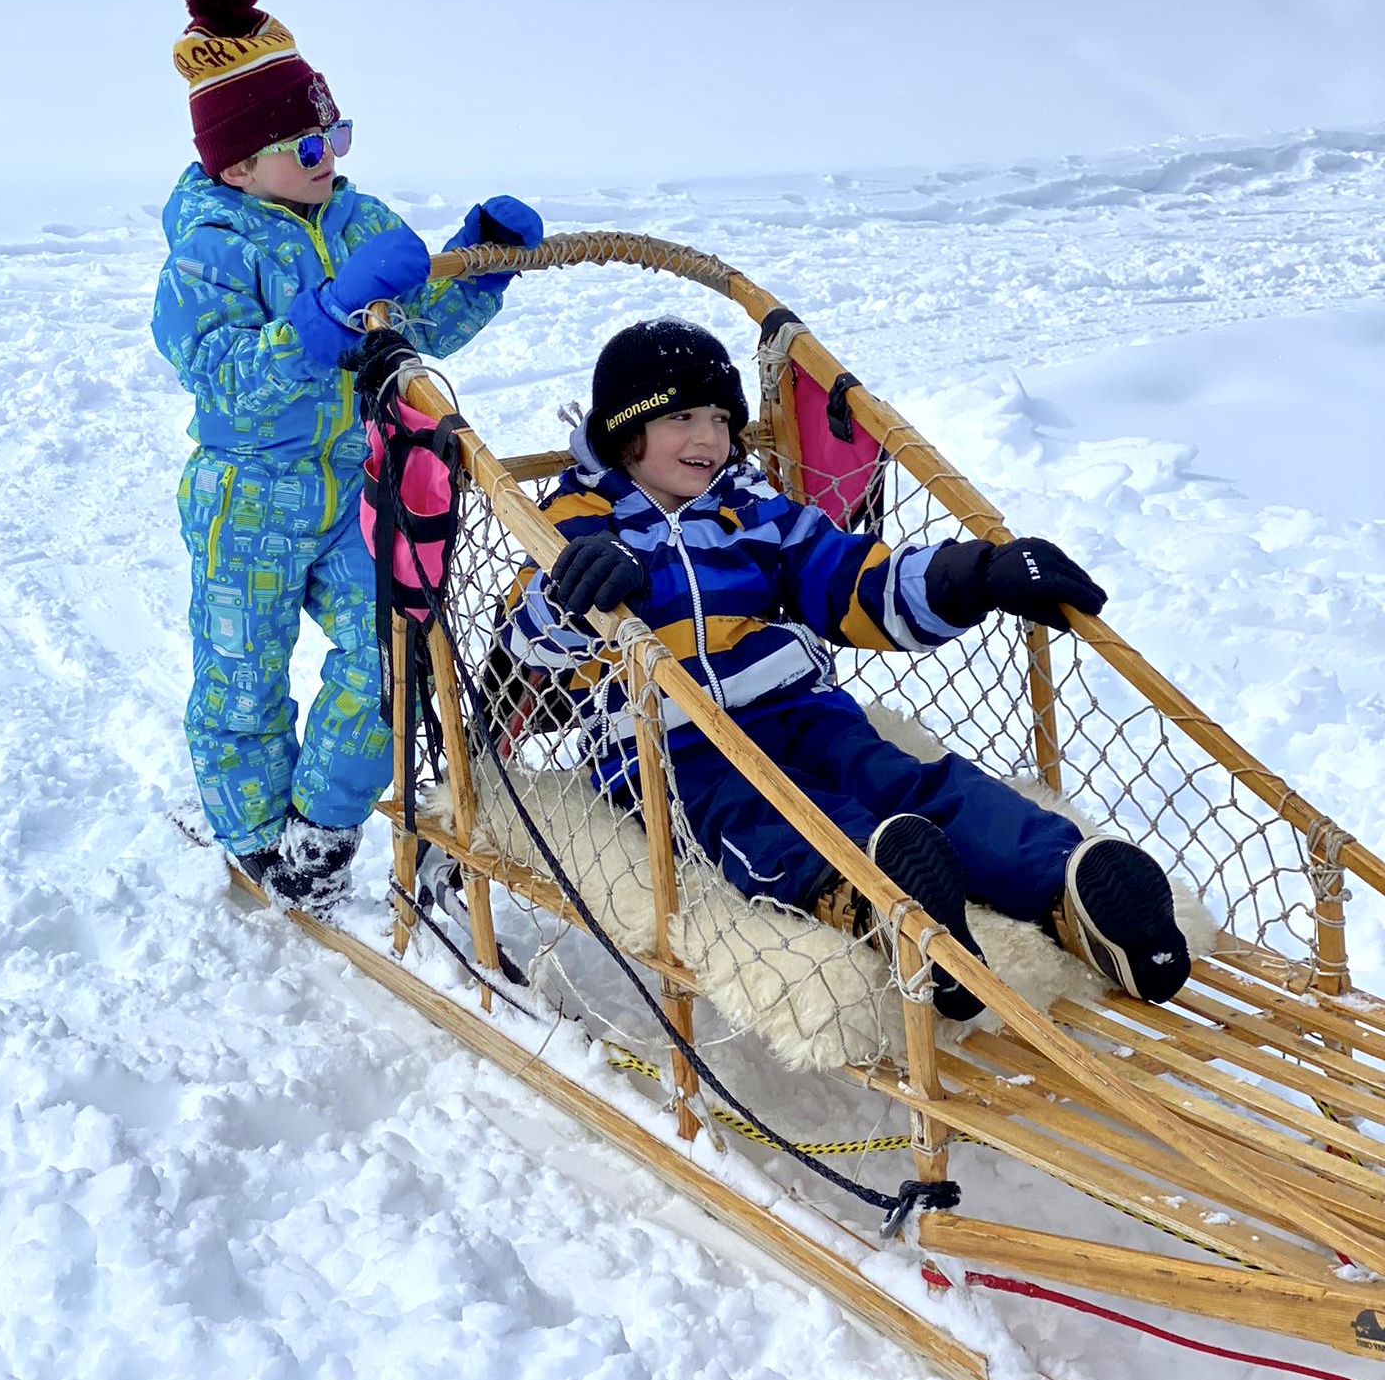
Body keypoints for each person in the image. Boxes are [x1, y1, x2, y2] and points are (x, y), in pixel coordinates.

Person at [502, 318, 1191, 1017]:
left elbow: (849, 579)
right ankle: (875, 898)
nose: (709, 438)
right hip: (668, 749)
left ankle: (1070, 887)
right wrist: (575, 585)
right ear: (626, 428)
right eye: (681, 417)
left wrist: (972, 576)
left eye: (719, 417)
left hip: (800, 712)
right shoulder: (577, 521)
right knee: (760, 817)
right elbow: (525, 640)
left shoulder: (754, 513)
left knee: (906, 779)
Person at [153, 0, 542, 912]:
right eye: (313, 146)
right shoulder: (207, 252)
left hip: (354, 485)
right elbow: (228, 379)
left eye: (338, 133)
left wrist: (477, 269)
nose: (336, 158)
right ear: (240, 164)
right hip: (247, 499)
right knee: (242, 684)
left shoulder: (354, 216)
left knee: (390, 652)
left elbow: (412, 335)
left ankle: (322, 824)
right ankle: (253, 837)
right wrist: (323, 316)